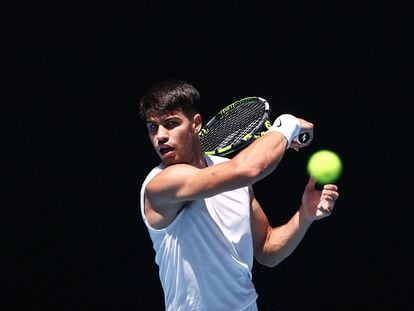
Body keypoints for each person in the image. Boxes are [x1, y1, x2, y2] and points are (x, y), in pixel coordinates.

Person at [138, 79, 339, 311]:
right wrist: (287, 125)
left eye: (171, 124)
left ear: (196, 124)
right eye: (153, 127)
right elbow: (249, 169)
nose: (160, 136)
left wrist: (304, 215)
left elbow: (267, 249)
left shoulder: (232, 176)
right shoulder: (161, 184)